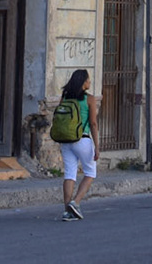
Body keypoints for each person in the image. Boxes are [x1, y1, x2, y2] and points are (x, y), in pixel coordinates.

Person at [53, 69, 98, 221]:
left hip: (66, 141)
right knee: (90, 173)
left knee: (69, 174)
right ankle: (76, 202)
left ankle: (67, 210)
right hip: (82, 139)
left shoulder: (65, 97)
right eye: (88, 79)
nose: (89, 82)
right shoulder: (89, 99)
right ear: (83, 82)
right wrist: (97, 146)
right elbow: (93, 123)